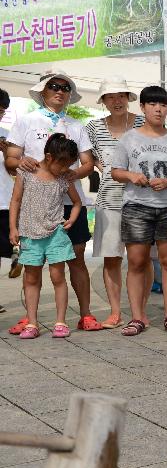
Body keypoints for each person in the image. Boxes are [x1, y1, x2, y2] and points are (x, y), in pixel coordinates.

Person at [4, 69, 104, 334]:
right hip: (33, 203)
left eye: (66, 88)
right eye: (54, 86)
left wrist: (71, 175)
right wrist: (20, 161)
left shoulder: (76, 126)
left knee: (77, 258)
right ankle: (30, 317)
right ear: (43, 92)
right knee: (32, 263)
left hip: (71, 202)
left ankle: (86, 314)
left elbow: (88, 163)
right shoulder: (27, 121)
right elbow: (11, 160)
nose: (60, 91)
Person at [112, 85, 167, 337]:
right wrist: (131, 176)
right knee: (136, 262)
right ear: (143, 107)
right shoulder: (129, 138)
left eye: (163, 105)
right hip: (136, 206)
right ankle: (137, 317)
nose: (158, 109)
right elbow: (115, 172)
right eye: (153, 104)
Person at [86, 76, 146, 329]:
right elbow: (89, 159)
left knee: (140, 259)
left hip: (141, 200)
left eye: (121, 95)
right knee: (111, 258)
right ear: (103, 101)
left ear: (129, 98)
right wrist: (106, 168)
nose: (116, 100)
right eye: (110, 96)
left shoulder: (144, 122)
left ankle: (139, 312)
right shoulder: (93, 127)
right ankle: (114, 311)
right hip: (108, 199)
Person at [8, 134, 81, 339]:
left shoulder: (64, 178)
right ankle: (31, 323)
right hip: (30, 233)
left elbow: (76, 202)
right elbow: (15, 201)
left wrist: (72, 220)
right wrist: (13, 228)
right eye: (63, 164)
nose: (66, 169)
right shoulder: (26, 172)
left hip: (56, 234)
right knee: (31, 278)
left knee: (58, 277)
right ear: (49, 157)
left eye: (69, 164)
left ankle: (60, 321)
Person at [0, 88, 13, 312]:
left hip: (3, 201)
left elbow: (14, 171)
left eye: (2, 110)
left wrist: (6, 154)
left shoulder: (7, 135)